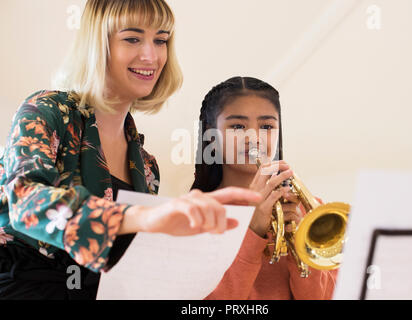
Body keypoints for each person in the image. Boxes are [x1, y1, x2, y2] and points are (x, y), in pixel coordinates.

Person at [0, 1, 260, 300]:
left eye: (160, 40)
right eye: (132, 38)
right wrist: (143, 217)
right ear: (98, 46)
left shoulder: (147, 167)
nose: (151, 55)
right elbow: (24, 200)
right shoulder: (47, 110)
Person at [192, 76, 338, 300]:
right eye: (238, 126)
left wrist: (302, 247)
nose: (254, 138)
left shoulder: (311, 210)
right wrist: (253, 231)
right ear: (211, 136)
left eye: (267, 126)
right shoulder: (193, 216)